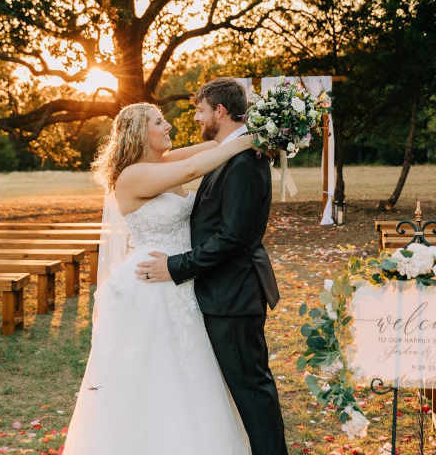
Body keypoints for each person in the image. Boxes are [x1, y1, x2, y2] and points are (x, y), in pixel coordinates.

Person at [62, 101, 255, 454]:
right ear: (140, 133)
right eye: (159, 122)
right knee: (154, 375)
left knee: (190, 372)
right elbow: (193, 169)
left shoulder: (160, 163)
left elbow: (212, 148)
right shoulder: (133, 176)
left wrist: (249, 130)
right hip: (149, 286)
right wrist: (246, 142)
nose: (168, 126)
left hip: (180, 280)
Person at [136, 78, 288, 455]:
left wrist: (176, 266)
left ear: (219, 111)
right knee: (242, 388)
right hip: (222, 292)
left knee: (252, 390)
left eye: (201, 110)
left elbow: (233, 237)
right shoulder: (232, 153)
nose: (197, 117)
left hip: (234, 294)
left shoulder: (243, 161)